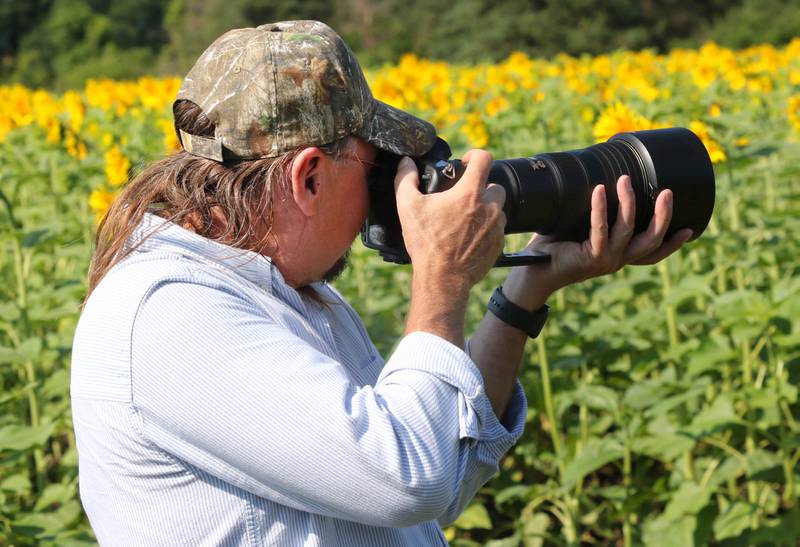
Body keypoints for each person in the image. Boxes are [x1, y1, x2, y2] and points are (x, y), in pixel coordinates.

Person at [70, 20, 691, 546]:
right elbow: (407, 477)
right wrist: (441, 274)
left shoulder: (283, 292)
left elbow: (439, 477)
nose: (390, 195)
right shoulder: (170, 315)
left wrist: (527, 290)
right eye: (377, 170)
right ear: (308, 177)